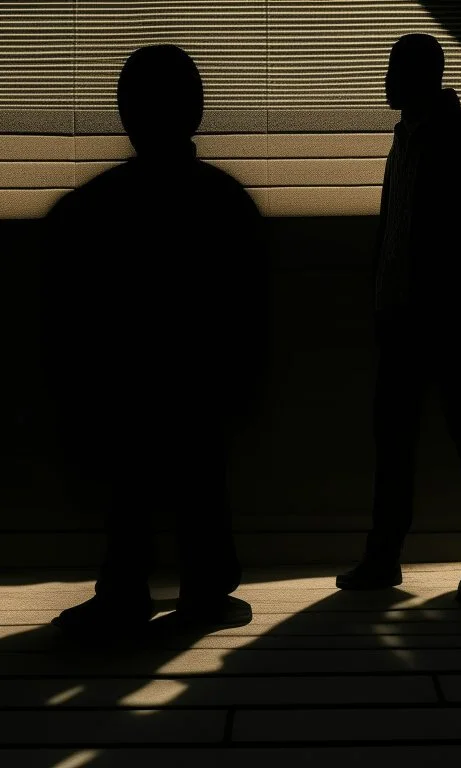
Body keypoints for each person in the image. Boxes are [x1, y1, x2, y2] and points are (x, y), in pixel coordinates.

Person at [40, 44, 268, 636]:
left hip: (124, 378)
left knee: (130, 481)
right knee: (199, 476)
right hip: (199, 377)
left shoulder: (91, 208)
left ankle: (125, 588)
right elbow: (248, 310)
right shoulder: (226, 202)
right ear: (195, 110)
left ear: (125, 114)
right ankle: (205, 585)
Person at [337, 33, 461, 603]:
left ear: (420, 75)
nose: (385, 81)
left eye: (393, 70)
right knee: (401, 439)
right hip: (402, 315)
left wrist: (459, 307)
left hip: (442, 318)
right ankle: (389, 558)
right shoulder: (407, 137)